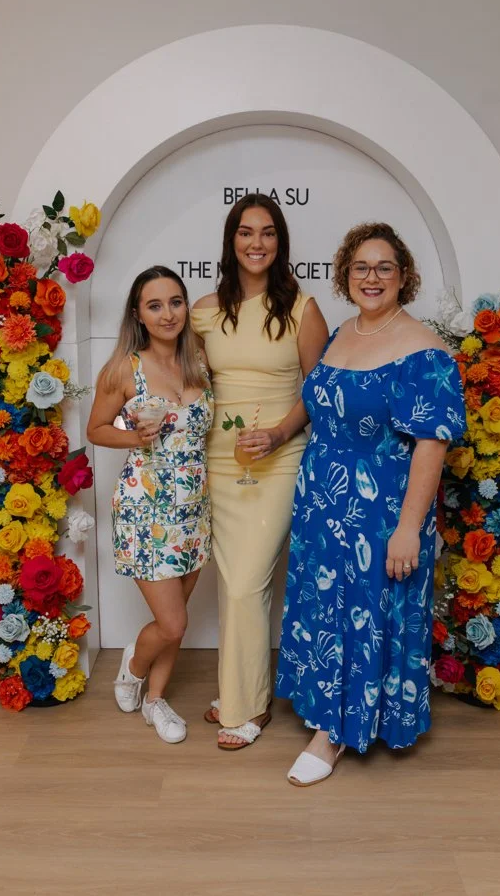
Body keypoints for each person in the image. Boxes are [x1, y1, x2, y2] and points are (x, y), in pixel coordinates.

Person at [249, 222, 466, 784]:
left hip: (381, 511)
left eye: (385, 267)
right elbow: (317, 399)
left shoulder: (426, 351)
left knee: (362, 615)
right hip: (323, 504)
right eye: (361, 267)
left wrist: (408, 528)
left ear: (403, 277)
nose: (373, 277)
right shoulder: (342, 333)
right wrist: (276, 434)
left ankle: (335, 735)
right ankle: (327, 707)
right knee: (326, 613)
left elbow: (431, 444)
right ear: (347, 275)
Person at [191, 193, 328, 749]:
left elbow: (317, 394)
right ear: (231, 241)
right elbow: (188, 383)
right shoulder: (203, 309)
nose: (256, 243)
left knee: (248, 581)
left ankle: (248, 708)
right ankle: (241, 685)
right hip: (219, 460)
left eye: (268, 233)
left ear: (280, 241)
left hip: (279, 458)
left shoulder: (303, 307)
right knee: (233, 583)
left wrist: (276, 433)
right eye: (246, 232)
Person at [87, 266, 213, 744]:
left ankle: (155, 701)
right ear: (138, 314)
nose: (168, 313)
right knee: (173, 620)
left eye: (176, 302)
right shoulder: (125, 368)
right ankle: (132, 669)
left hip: (195, 507)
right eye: (155, 305)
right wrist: (132, 436)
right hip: (146, 509)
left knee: (176, 617)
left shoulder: (200, 361)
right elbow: (95, 429)